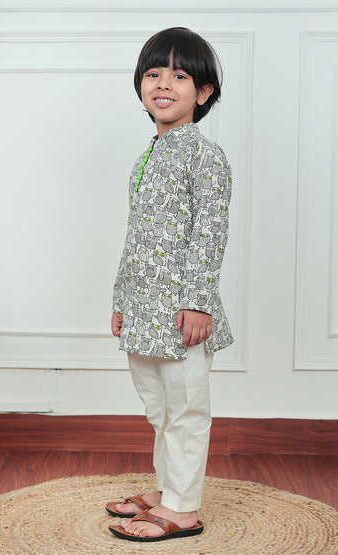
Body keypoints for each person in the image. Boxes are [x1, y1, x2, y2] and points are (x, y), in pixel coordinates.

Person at [107, 26, 234, 543]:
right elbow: (136, 237)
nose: (163, 83)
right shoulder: (147, 156)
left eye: (179, 76)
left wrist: (199, 303)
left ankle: (183, 508)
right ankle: (167, 488)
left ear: (202, 93)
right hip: (143, 310)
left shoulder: (205, 155)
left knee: (186, 408)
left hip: (183, 314)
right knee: (159, 409)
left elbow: (210, 232)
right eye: (154, 73)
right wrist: (121, 301)